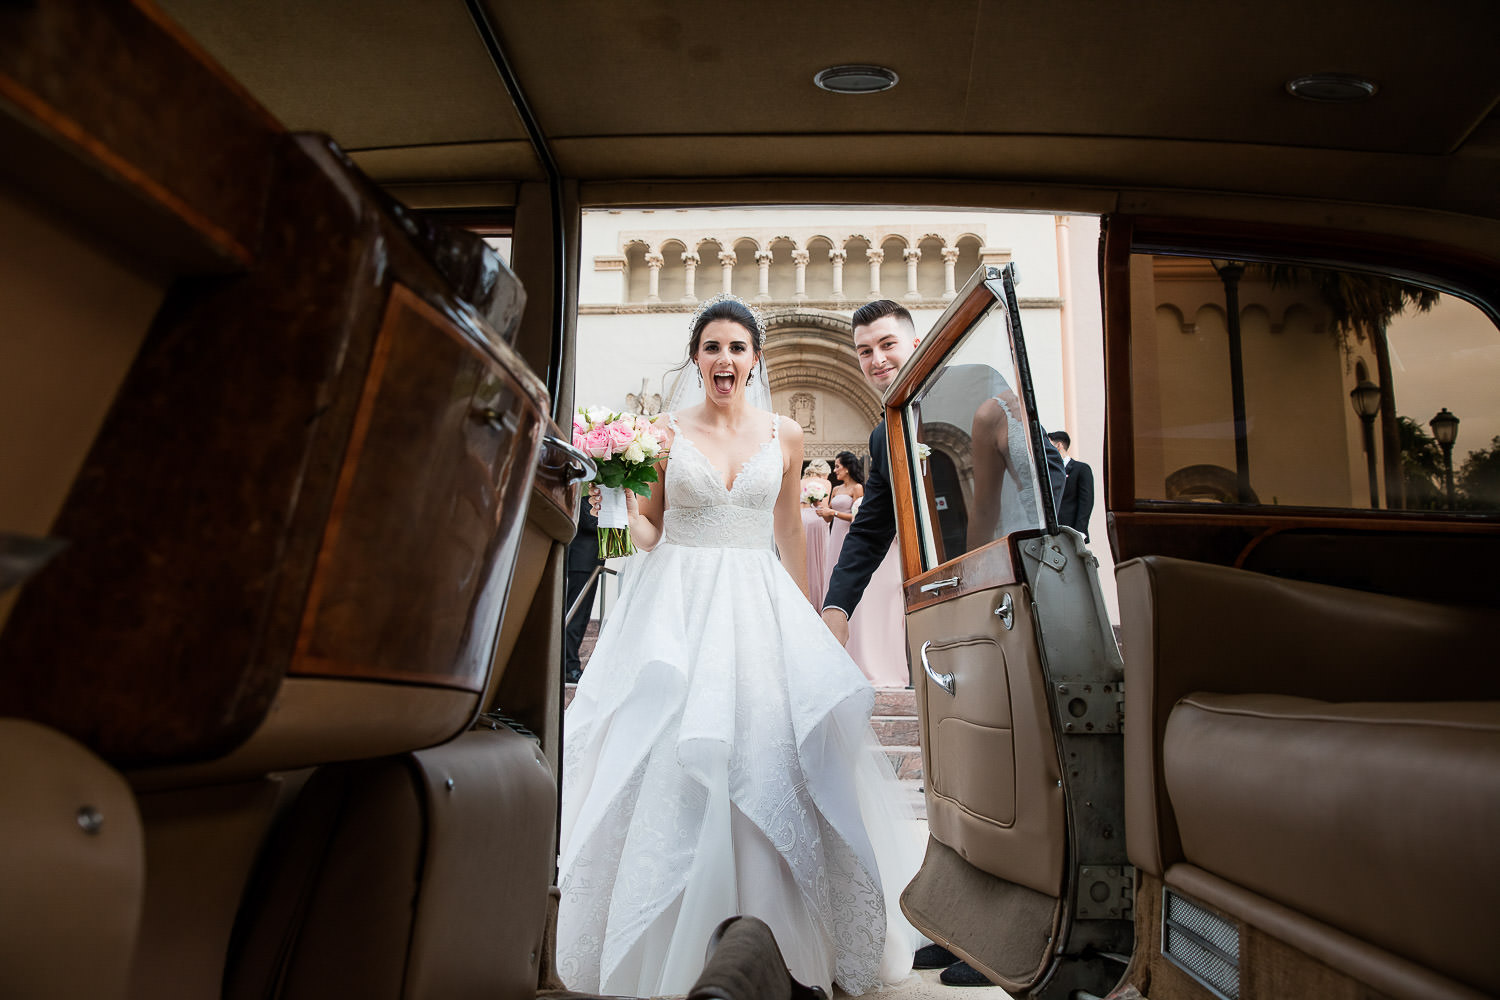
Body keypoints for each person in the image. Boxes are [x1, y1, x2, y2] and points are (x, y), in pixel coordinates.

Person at [557, 295, 919, 998]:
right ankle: (669, 931)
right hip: (678, 601)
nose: (724, 359)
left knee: (767, 749)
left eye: (737, 348)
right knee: (668, 749)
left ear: (756, 361)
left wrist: (812, 618)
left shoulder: (784, 434)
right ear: (696, 358)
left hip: (759, 603)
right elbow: (646, 533)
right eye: (712, 347)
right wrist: (619, 510)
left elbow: (787, 533)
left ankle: (777, 929)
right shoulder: (660, 433)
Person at [820, 299, 1065, 987]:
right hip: (938, 615)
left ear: (918, 342)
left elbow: (1049, 482)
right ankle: (964, 927)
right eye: (864, 351)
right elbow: (871, 530)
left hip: (1004, 606)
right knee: (953, 776)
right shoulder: (882, 437)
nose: (876, 361)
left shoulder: (983, 386)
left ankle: (1022, 932)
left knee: (1005, 773)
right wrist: (836, 606)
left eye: (887, 344)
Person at [562, 504, 602, 683]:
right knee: (575, 616)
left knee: (581, 616)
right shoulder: (589, 486)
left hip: (590, 561)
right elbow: (587, 519)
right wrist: (614, 518)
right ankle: (569, 667)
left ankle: (570, 664)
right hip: (581, 560)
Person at [815, 450, 865, 569]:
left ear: (847, 468)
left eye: (837, 466)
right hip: (835, 533)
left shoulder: (857, 488)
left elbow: (856, 517)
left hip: (847, 533)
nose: (834, 470)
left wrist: (833, 512)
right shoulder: (836, 489)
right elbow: (828, 519)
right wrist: (818, 505)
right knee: (832, 562)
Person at [1049, 430, 1094, 542]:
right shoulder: (1047, 472)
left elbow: (1086, 501)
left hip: (1070, 531)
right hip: (1051, 533)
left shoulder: (1081, 469)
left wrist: (1079, 532)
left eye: (1049, 445)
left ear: (1058, 445)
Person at [799, 458, 832, 609]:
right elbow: (824, 510)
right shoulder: (825, 483)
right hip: (817, 520)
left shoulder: (799, 482)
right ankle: (818, 602)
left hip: (800, 519)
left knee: (802, 560)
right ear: (824, 473)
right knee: (819, 560)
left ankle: (802, 599)